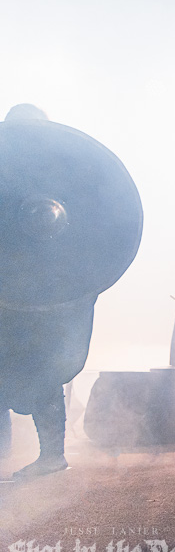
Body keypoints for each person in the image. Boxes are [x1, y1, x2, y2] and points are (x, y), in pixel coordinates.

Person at [0, 103, 96, 480]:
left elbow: (92, 229)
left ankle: (53, 455)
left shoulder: (64, 179)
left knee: (46, 371)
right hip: (6, 290)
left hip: (49, 294)